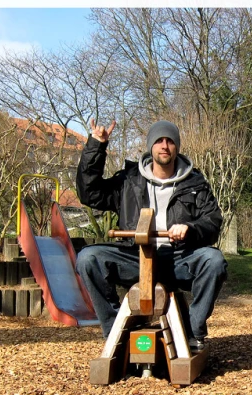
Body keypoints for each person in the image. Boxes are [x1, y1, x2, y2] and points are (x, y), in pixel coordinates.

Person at [75, 118, 227, 353]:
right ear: (150, 146)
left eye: (170, 141)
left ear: (176, 147)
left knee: (214, 261)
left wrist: (191, 228)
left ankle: (193, 332)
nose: (164, 145)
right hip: (135, 257)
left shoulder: (195, 183)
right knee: (88, 258)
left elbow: (213, 221)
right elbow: (90, 194)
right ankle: (114, 329)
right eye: (159, 140)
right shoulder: (128, 180)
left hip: (178, 258)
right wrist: (97, 145)